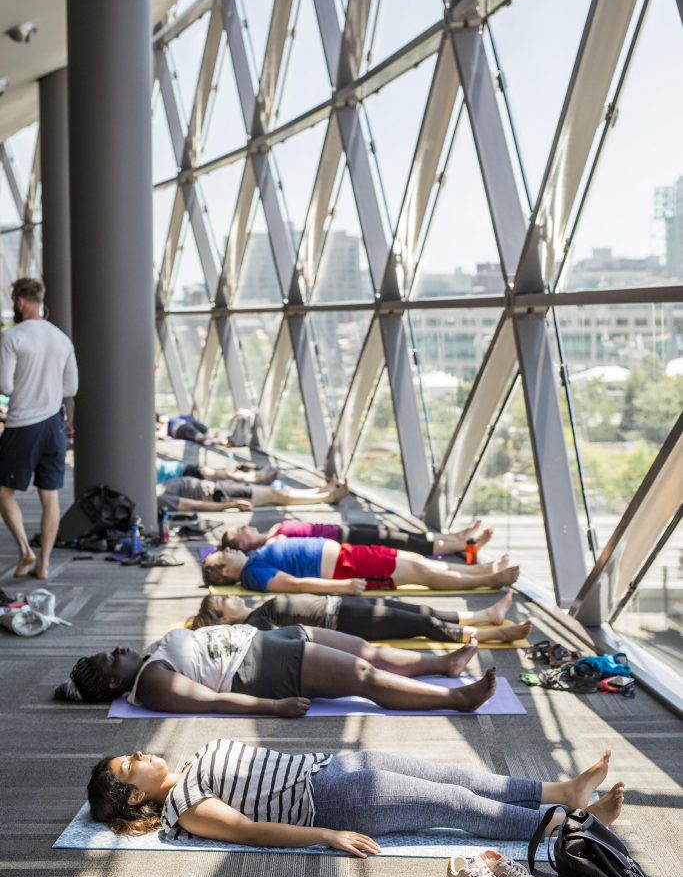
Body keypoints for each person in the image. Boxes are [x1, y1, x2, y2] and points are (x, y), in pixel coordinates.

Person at [86, 741, 623, 860]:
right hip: (337, 798)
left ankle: (562, 792)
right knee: (454, 806)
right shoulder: (187, 807)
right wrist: (326, 834)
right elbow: (249, 830)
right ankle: (570, 820)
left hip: (336, 765)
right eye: (129, 765)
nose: (138, 753)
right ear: (134, 794)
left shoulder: (186, 768)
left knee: (457, 776)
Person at [54, 624, 497, 715]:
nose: (116, 648)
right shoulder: (150, 684)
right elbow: (211, 701)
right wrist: (274, 707)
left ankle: (443, 663)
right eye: (109, 658)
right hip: (265, 667)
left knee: (365, 650)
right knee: (365, 678)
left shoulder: (149, 657)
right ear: (114, 682)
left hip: (269, 639)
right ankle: (458, 698)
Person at [0, 278, 78, 580]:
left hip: (23, 425)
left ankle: (25, 549)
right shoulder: (61, 338)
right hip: (54, 426)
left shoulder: (13, 337)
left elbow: (5, 385)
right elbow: (71, 386)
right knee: (51, 497)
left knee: (4, 492)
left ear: (19, 302)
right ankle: (44, 565)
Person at [186, 589, 532, 646]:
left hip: (342, 605)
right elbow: (290, 637)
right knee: (419, 624)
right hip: (345, 621)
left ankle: (486, 614)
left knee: (417, 610)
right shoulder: (255, 623)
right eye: (223, 601)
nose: (229, 596)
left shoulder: (258, 610)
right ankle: (492, 636)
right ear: (222, 619)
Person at [202, 538, 519, 593]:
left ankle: (482, 570)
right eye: (223, 556)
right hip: (345, 568)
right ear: (226, 573)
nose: (227, 550)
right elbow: (294, 584)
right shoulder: (253, 573)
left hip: (347, 555)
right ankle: (487, 581)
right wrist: (342, 586)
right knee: (421, 574)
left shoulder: (254, 559)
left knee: (417, 561)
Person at [222, 518, 493, 557]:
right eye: (240, 531)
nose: (246, 526)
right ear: (243, 544)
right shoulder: (272, 543)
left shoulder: (272, 531)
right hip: (345, 542)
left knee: (403, 534)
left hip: (344, 529)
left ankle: (457, 538)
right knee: (408, 543)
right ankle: (468, 548)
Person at [157, 475, 348, 513]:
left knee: (276, 492)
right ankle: (328, 497)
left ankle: (319, 490)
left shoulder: (152, 490)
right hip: (219, 493)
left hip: (217, 486)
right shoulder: (157, 498)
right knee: (275, 494)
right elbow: (192, 505)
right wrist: (230, 505)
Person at [156, 459, 278, 486]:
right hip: (181, 474)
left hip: (182, 470)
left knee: (222, 475)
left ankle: (254, 477)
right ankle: (256, 478)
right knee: (223, 476)